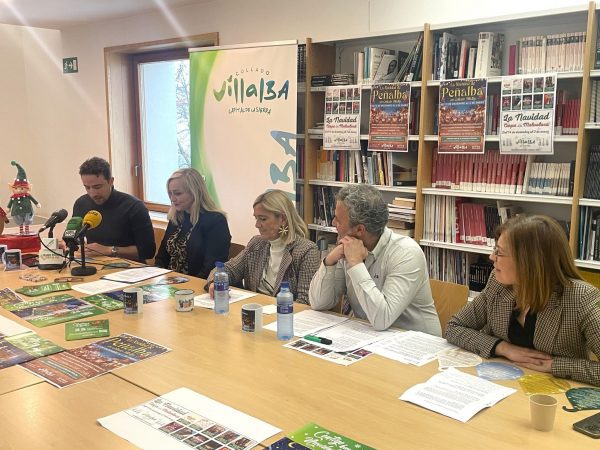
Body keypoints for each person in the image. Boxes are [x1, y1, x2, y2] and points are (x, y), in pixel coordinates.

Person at [446, 215, 600, 387]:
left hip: (555, 392)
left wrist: (555, 365)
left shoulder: (580, 298)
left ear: (528, 262)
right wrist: (503, 348)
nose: (491, 257)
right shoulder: (498, 284)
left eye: (499, 252)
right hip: (501, 383)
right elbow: (454, 327)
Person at [309, 184, 441, 334]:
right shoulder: (348, 246)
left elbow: (382, 319)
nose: (333, 223)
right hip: (371, 336)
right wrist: (330, 261)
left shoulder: (407, 253)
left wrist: (356, 264)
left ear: (360, 229)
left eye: (338, 220)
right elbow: (318, 303)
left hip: (415, 342)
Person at [206, 189, 319, 304]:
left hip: (285, 313)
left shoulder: (307, 251)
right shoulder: (256, 243)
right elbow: (230, 269)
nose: (257, 225)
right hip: (254, 309)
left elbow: (305, 301)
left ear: (283, 219)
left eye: (263, 219)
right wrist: (215, 281)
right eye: (256, 218)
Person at [73, 157, 155, 262]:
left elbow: (148, 251)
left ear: (111, 181)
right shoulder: (81, 204)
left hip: (129, 267)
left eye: (97, 187)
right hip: (94, 264)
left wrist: (109, 250)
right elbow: (74, 236)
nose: (92, 194)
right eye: (87, 187)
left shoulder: (134, 207)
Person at [155, 168, 230, 279]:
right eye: (170, 193)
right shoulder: (176, 217)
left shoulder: (216, 221)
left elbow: (211, 268)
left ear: (195, 192)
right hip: (169, 282)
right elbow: (161, 257)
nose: (172, 198)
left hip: (197, 283)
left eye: (178, 193)